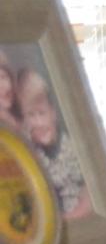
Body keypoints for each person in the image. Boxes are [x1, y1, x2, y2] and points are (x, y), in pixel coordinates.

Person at [16, 67, 90, 218]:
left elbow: (89, 187)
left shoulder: (71, 146)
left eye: (41, 113)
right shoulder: (31, 152)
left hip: (79, 217)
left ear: (53, 113)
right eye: (30, 115)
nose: (38, 123)